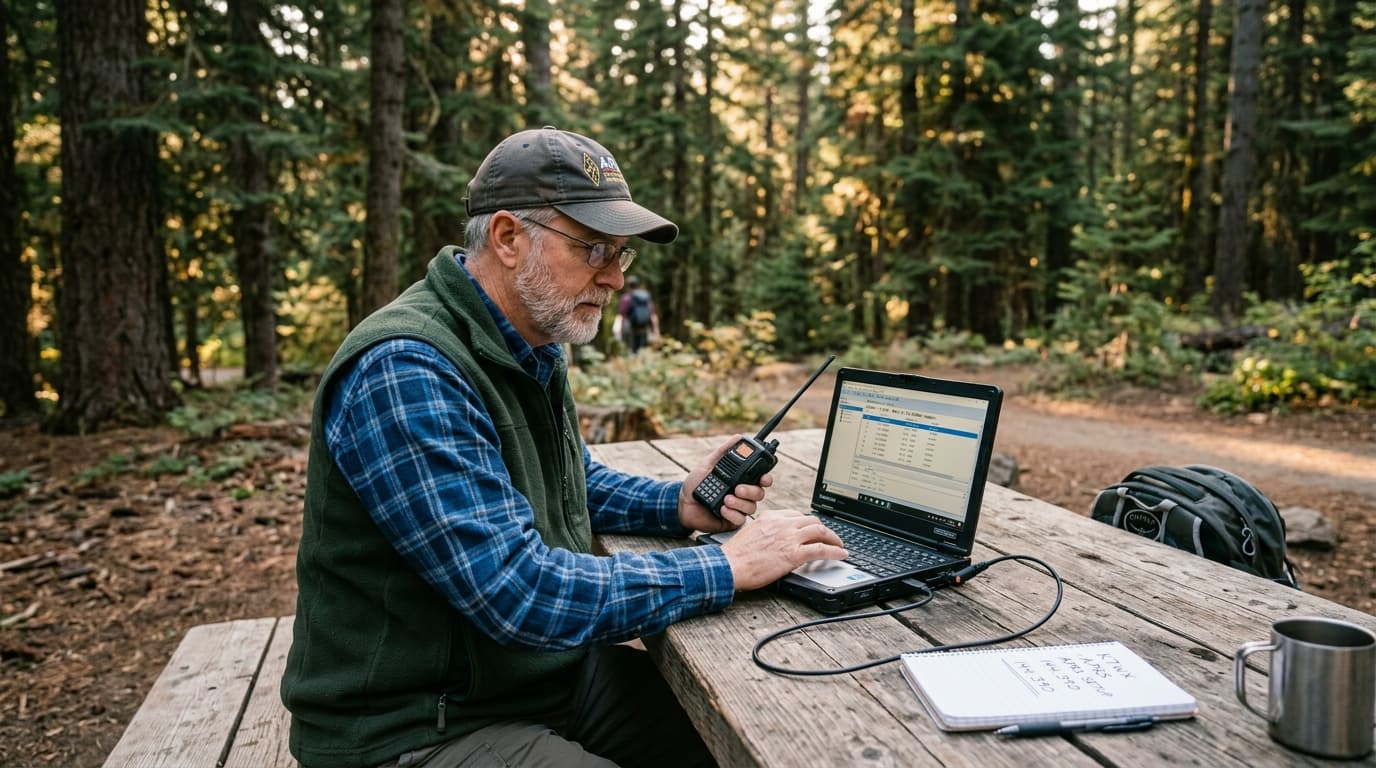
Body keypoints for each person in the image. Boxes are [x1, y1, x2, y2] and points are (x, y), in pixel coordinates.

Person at [280, 126, 848, 768]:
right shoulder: (408, 370)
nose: (612, 278)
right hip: (414, 725)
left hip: (529, 680)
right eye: (594, 250)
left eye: (621, 255)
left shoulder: (531, 342)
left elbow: (570, 478)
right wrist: (724, 566)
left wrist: (679, 504)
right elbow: (518, 591)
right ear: (507, 238)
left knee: (755, 734)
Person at [618, 275, 658, 353]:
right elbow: (653, 315)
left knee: (632, 350)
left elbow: (623, 316)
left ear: (627, 286)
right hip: (645, 328)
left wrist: (622, 332)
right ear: (637, 285)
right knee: (644, 350)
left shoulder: (626, 298)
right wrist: (656, 329)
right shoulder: (646, 297)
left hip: (631, 329)